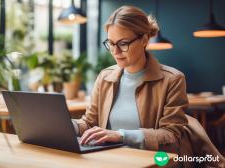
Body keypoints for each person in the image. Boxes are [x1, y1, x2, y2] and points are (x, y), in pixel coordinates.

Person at [71, 5, 225, 167]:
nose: (115, 51)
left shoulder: (173, 79)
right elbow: (89, 122)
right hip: (109, 161)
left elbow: (171, 134)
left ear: (144, 40)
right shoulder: (105, 77)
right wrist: (69, 126)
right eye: (110, 43)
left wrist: (121, 136)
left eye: (123, 43)